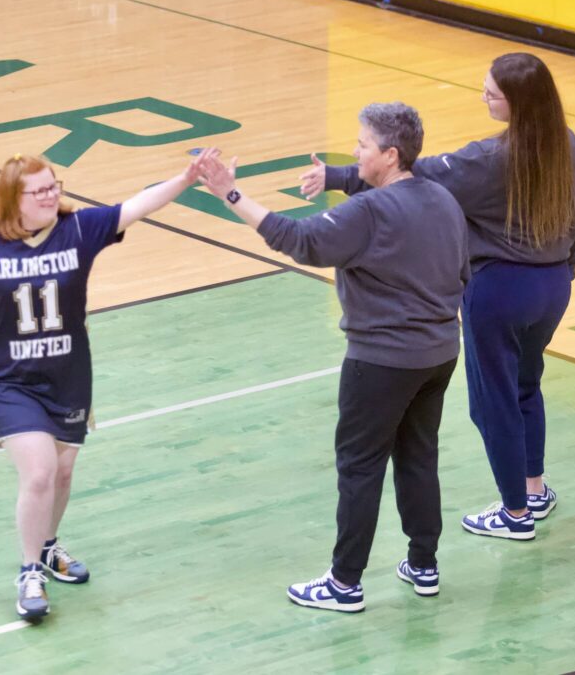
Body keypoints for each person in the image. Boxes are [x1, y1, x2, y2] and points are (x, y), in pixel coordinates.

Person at [302, 52, 575, 541]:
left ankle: (515, 514)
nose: (483, 97)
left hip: (499, 290)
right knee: (525, 385)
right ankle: (534, 489)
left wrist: (338, 176)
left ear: (516, 100)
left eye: (491, 93)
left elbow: (416, 176)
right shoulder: (570, 146)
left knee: (492, 400)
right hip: (553, 284)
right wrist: (565, 273)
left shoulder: (489, 159)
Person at [196, 103, 469, 611]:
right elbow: (462, 273)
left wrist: (230, 193)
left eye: (362, 145)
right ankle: (424, 564)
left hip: (382, 360)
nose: (356, 151)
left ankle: (345, 583)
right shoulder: (442, 200)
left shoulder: (368, 213)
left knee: (360, 467)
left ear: (389, 155)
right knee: (418, 456)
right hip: (439, 355)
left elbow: (297, 239)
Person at [0, 152, 202, 622]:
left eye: (54, 186)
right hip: (6, 378)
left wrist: (186, 179)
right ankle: (29, 574)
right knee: (41, 471)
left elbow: (138, 207)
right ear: (14, 199)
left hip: (67, 375)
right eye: (39, 190)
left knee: (62, 475)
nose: (51, 195)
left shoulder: (79, 230)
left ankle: (47, 546)